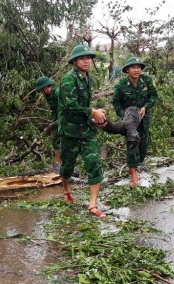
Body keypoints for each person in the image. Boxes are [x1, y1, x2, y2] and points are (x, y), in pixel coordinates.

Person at [58, 44, 107, 218]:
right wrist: (92, 112)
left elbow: (83, 105)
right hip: (70, 131)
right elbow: (70, 106)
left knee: (94, 163)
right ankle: (66, 190)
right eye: (82, 58)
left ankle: (93, 205)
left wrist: (93, 119)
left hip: (86, 130)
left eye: (88, 58)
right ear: (74, 61)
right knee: (67, 167)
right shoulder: (68, 80)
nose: (86, 61)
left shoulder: (88, 79)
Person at [112, 56, 158, 186]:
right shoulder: (121, 85)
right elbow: (116, 103)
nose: (136, 70)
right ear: (127, 69)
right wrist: (124, 116)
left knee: (142, 149)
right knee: (132, 146)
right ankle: (133, 176)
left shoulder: (147, 81)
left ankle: (134, 168)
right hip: (130, 123)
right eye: (133, 67)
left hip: (144, 121)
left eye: (138, 67)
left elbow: (154, 96)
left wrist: (146, 107)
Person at [34, 76, 62, 168]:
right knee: (57, 140)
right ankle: (59, 163)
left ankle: (59, 163)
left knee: (57, 140)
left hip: (65, 118)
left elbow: (63, 110)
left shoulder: (57, 93)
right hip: (57, 118)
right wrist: (51, 124)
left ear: (45, 87)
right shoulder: (48, 95)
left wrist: (55, 124)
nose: (40, 92)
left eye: (41, 90)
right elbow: (54, 111)